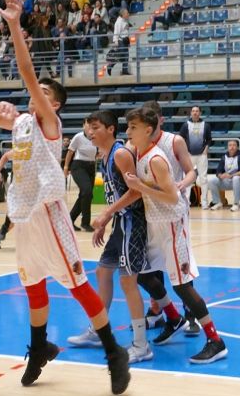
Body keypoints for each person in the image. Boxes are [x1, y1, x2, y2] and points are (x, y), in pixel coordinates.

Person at [0, 0, 130, 395]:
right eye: (36, 92)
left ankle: (115, 353)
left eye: (45, 93)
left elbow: (27, 72)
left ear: (55, 106)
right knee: (33, 284)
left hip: (49, 210)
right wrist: (5, 109)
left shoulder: (48, 124)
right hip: (25, 216)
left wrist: (14, 25)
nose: (36, 93)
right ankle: (41, 345)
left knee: (77, 284)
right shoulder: (23, 124)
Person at [122, 106, 228, 364]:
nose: (128, 132)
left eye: (132, 128)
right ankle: (172, 316)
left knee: (181, 284)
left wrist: (141, 186)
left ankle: (215, 340)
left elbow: (171, 196)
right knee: (144, 275)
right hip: (154, 222)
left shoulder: (158, 156)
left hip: (172, 221)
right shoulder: (139, 151)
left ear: (149, 129)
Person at [68, 110, 169, 364]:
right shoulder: (103, 155)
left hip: (133, 222)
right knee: (103, 272)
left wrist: (104, 216)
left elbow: (135, 193)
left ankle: (141, 344)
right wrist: (107, 221)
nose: (90, 132)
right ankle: (98, 330)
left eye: (95, 127)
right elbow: (118, 194)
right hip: (120, 223)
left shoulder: (121, 154)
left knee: (127, 282)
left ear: (110, 129)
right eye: (88, 127)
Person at [64, 122, 97, 231]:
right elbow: (70, 152)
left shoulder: (96, 137)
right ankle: (85, 223)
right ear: (84, 126)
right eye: (87, 124)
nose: (90, 127)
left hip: (92, 167)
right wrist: (66, 167)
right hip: (78, 166)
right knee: (86, 191)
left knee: (87, 195)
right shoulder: (78, 137)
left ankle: (69, 220)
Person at [178, 105, 211, 207]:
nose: (195, 113)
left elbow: (209, 139)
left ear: (200, 113)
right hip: (189, 155)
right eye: (193, 111)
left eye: (197, 111)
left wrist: (205, 150)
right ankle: (187, 202)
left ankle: (204, 202)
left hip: (202, 155)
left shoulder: (206, 125)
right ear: (191, 113)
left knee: (203, 179)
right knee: (187, 178)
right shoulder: (185, 125)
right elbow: (181, 139)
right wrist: (185, 152)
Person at [207, 139, 240, 211]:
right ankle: (217, 202)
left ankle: (236, 204)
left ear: (237, 147)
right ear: (227, 147)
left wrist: (231, 175)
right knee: (212, 181)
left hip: (239, 182)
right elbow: (218, 171)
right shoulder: (224, 157)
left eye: (234, 145)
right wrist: (220, 175)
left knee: (236, 178)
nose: (232, 147)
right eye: (230, 145)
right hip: (227, 181)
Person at [107, 8, 131, 76]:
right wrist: (116, 42)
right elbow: (116, 32)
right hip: (121, 41)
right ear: (123, 14)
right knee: (120, 56)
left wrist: (128, 42)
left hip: (126, 41)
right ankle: (110, 65)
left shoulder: (125, 20)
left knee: (126, 56)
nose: (128, 14)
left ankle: (125, 71)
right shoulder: (119, 22)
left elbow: (126, 31)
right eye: (127, 13)